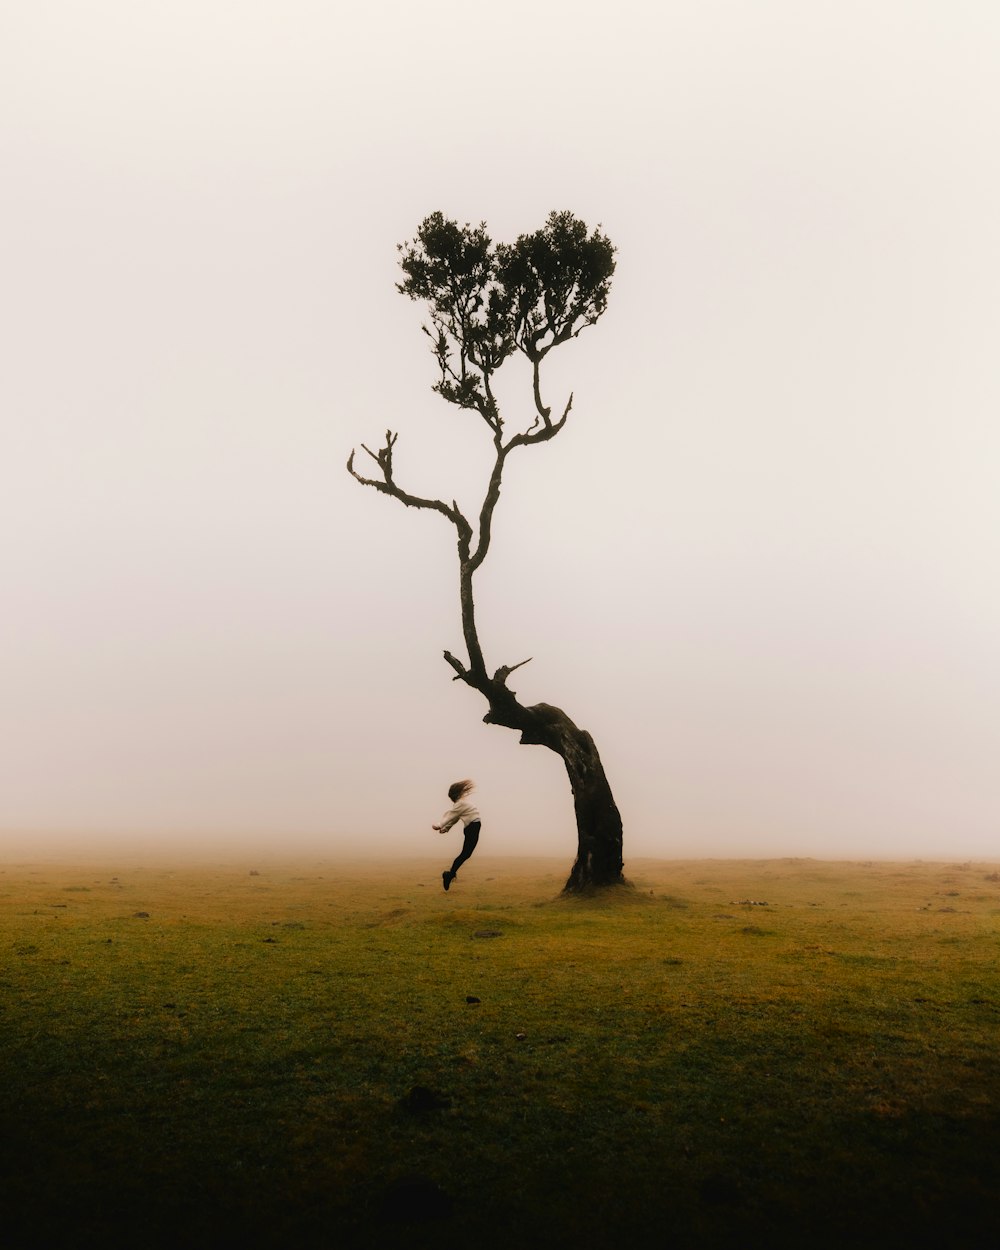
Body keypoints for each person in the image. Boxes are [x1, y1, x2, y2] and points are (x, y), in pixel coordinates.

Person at [432, 779, 481, 891]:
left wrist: (446, 828)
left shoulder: (461, 803)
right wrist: (440, 825)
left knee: (466, 854)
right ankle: (449, 874)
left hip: (473, 827)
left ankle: (450, 874)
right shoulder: (460, 803)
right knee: (465, 854)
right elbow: (451, 816)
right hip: (472, 828)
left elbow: (455, 817)